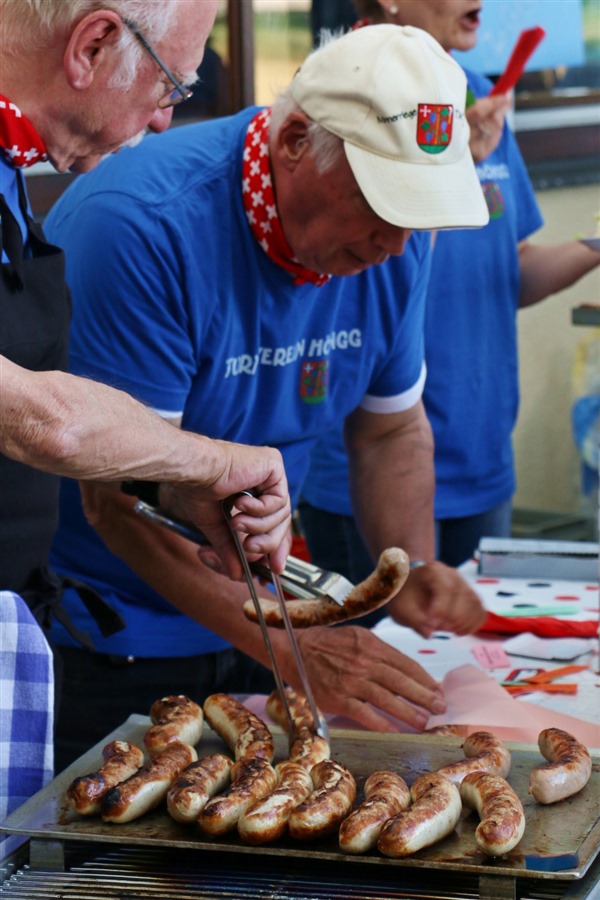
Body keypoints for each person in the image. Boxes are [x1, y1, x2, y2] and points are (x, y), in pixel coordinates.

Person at [42, 24, 492, 770]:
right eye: (381, 199)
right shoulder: (140, 225)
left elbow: (390, 432)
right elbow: (116, 501)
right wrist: (294, 646)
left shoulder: (394, 243)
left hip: (270, 622)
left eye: (419, 209)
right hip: (106, 633)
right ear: (293, 142)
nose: (395, 243)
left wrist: (409, 568)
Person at [0, 0, 291, 821]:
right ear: (92, 44)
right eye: (170, 83)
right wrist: (216, 460)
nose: (165, 118)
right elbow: (35, 415)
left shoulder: (12, 175)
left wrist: (173, 490)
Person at [299, 0, 600, 579]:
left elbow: (509, 272)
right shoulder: (342, 95)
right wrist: (450, 165)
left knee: (479, 663)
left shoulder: (480, 98)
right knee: (389, 662)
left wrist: (593, 247)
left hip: (481, 459)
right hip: (374, 463)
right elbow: (347, 269)